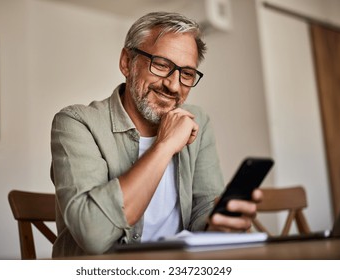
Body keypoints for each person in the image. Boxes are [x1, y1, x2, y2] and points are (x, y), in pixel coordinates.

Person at [50, 11, 262, 257]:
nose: (173, 85)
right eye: (161, 65)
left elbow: (204, 205)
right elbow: (93, 236)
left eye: (187, 74)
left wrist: (217, 225)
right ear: (127, 63)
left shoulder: (197, 121)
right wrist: (165, 146)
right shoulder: (76, 123)